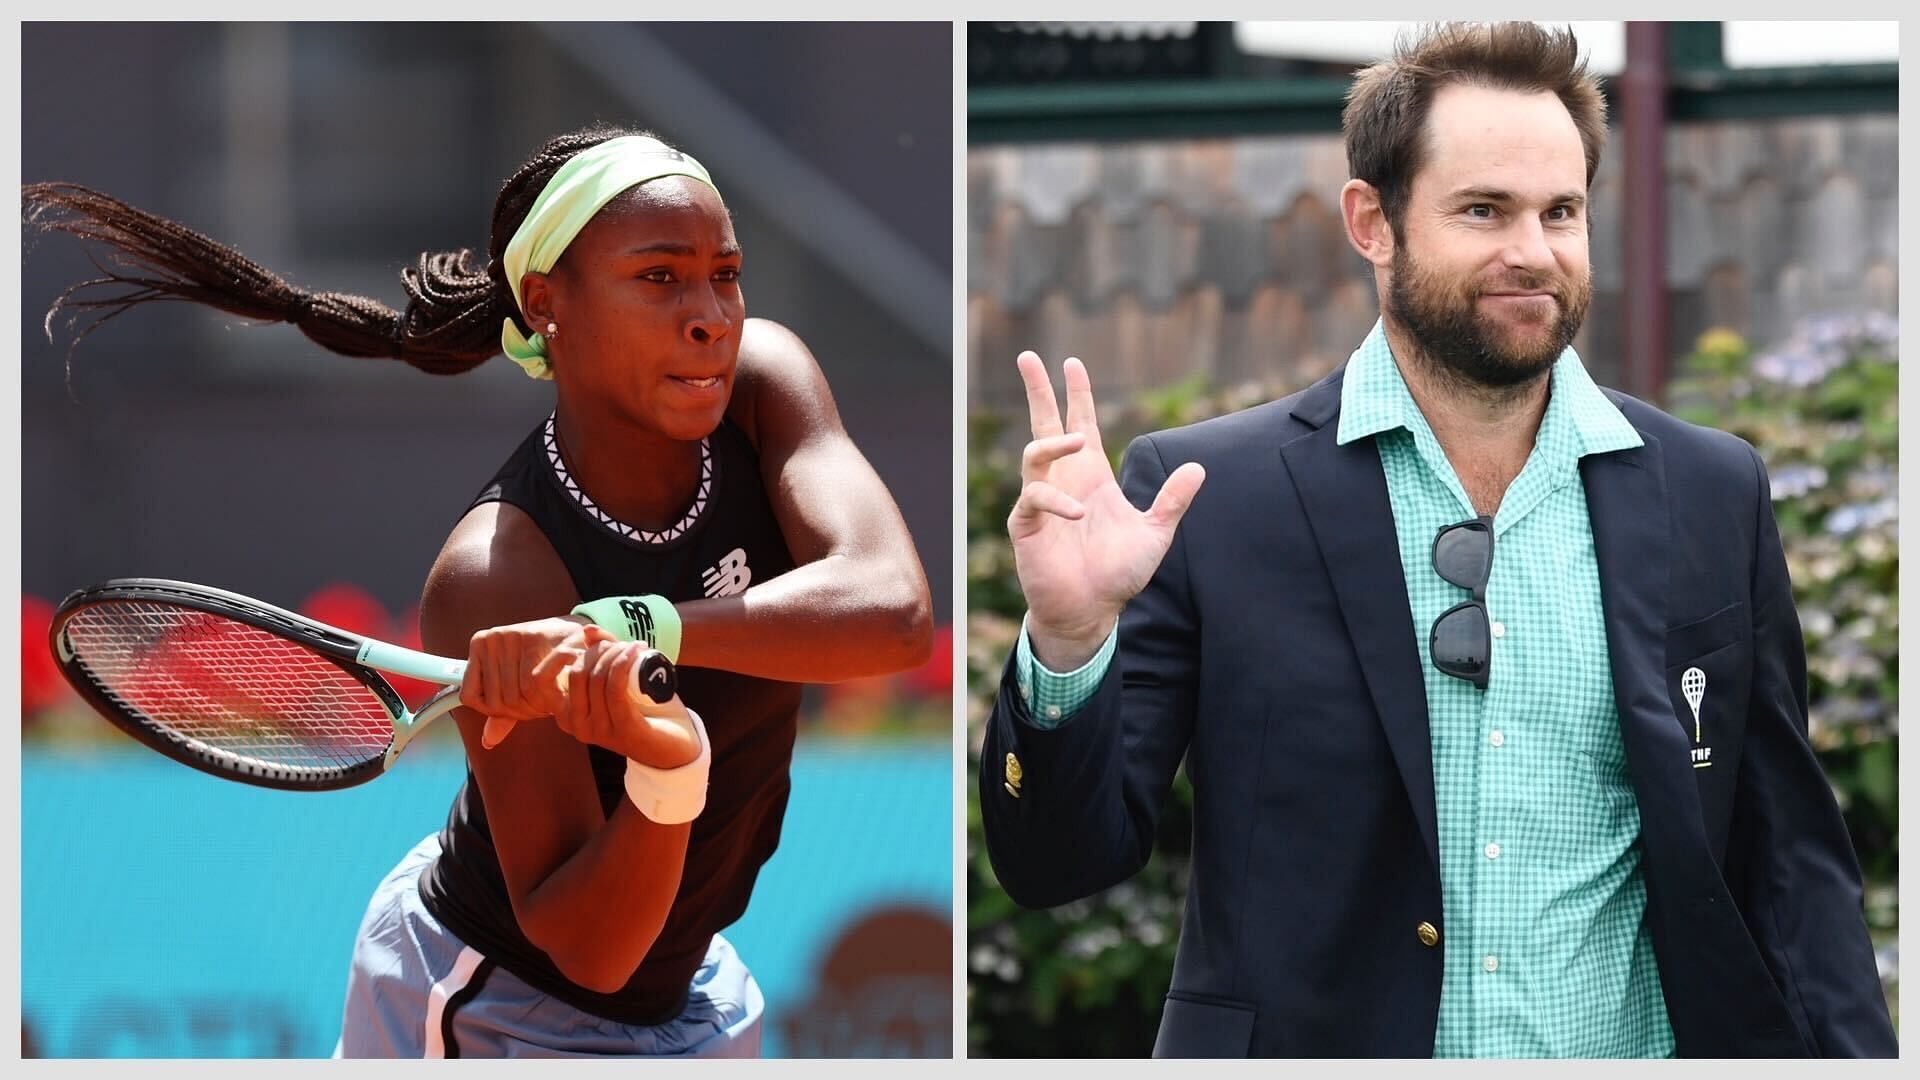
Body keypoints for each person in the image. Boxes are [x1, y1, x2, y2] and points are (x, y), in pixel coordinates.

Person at [980, 23, 1895, 1059]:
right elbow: (1059, 864)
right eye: (1483, 211)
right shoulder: (1210, 498)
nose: (1533, 252)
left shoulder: (1709, 489)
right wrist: (1067, 642)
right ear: (1372, 222)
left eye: (1561, 212)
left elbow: (1792, 870)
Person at [24, 125, 934, 1058]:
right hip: (495, 1011)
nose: (710, 314)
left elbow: (894, 615)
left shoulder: (763, 381)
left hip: (692, 985)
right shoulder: (496, 573)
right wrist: (667, 770)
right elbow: (591, 950)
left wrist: (642, 629)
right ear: (548, 304)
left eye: (726, 274)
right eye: (659, 278)